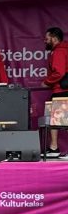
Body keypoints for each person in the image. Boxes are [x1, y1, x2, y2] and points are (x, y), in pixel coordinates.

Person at [42, 27, 68, 158]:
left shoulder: (59, 51)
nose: (44, 41)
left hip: (62, 90)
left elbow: (59, 72)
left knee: (56, 120)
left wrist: (46, 82)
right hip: (62, 89)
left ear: (54, 38)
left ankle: (54, 148)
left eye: (46, 39)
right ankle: (53, 148)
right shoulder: (63, 50)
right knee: (56, 120)